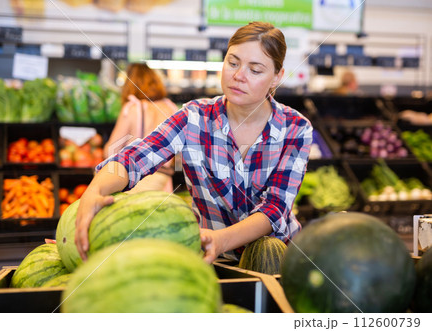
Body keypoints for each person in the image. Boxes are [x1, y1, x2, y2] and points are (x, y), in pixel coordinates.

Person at [75, 21, 313, 263]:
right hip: (212, 257)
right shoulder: (194, 117)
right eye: (233, 63)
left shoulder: (295, 128)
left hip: (279, 259)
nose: (239, 76)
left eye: (255, 70)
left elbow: (274, 209)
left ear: (277, 77)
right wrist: (95, 190)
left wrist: (222, 239)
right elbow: (134, 158)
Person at [103, 62, 178, 193]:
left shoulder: (132, 108)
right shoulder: (171, 107)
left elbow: (110, 150)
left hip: (137, 183)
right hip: (164, 182)